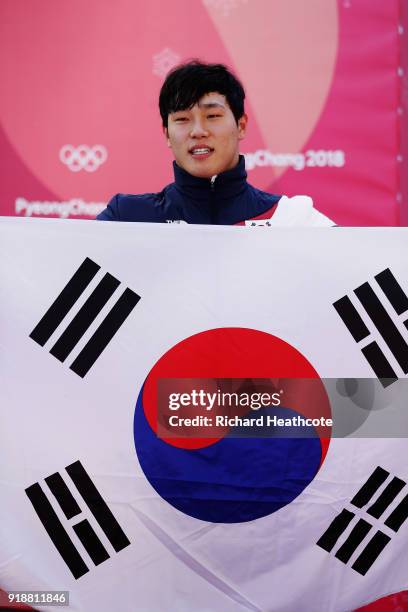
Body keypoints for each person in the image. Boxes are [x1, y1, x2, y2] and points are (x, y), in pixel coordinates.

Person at [97, 60, 333, 226]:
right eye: (182, 119)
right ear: (167, 134)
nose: (198, 131)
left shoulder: (292, 220)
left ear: (241, 126)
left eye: (212, 116)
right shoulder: (126, 217)